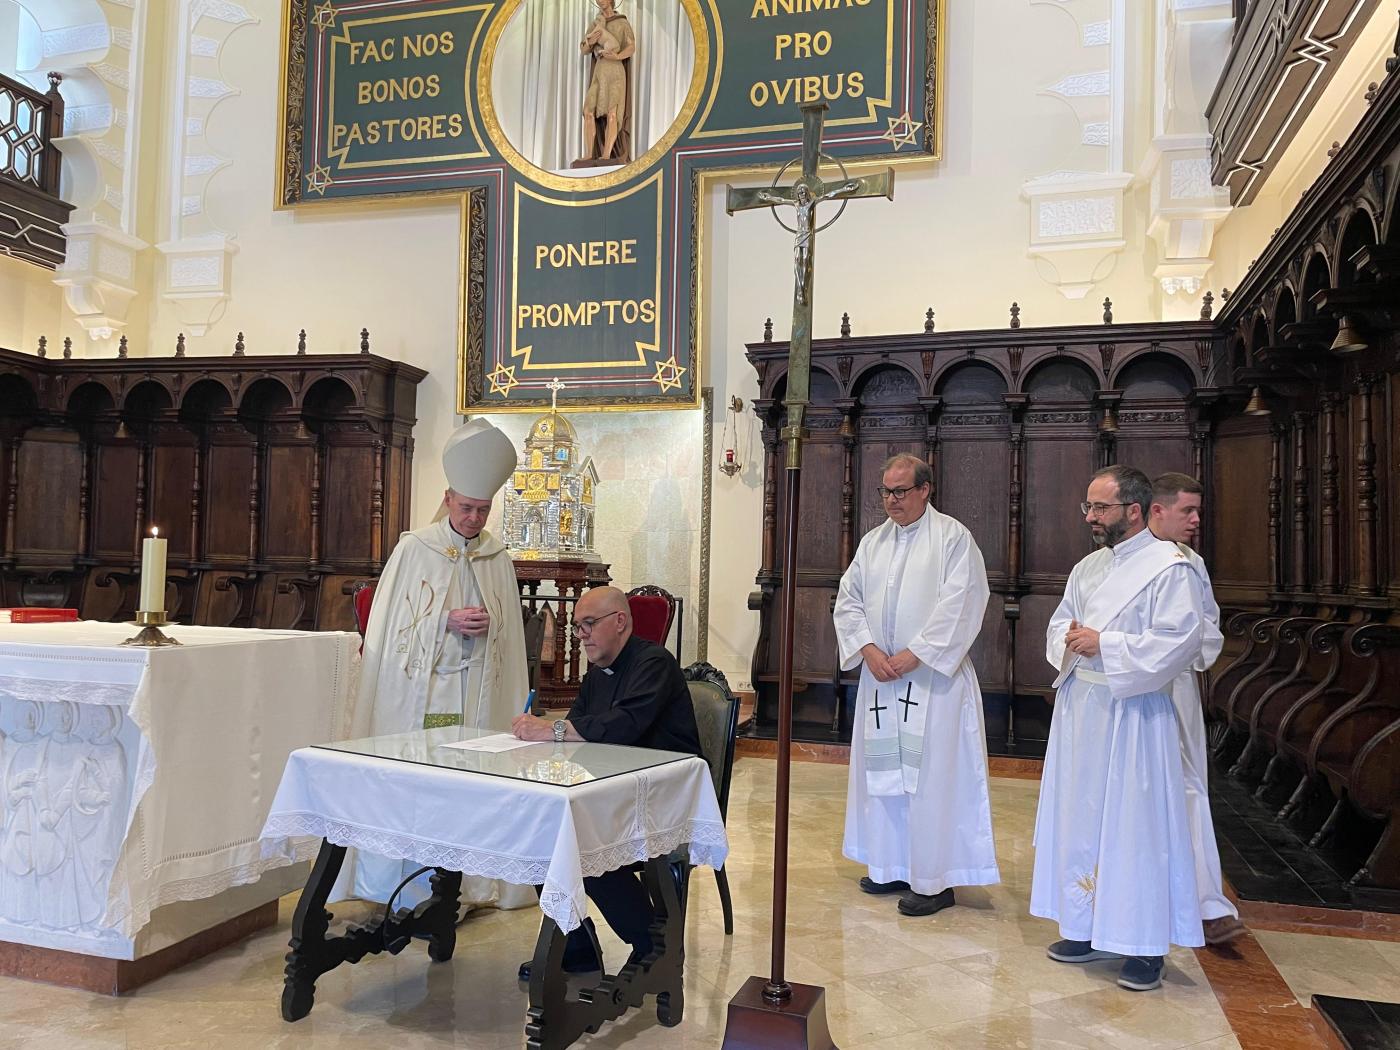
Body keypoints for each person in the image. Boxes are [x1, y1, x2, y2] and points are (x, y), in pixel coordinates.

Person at [340, 419, 534, 910]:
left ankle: (470, 885)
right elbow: (389, 629)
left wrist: (491, 626)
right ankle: (401, 883)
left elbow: (509, 638)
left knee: (469, 784)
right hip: (421, 694)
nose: (474, 518)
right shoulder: (413, 549)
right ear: (448, 499)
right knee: (418, 784)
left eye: (483, 510)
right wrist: (443, 621)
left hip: (474, 695)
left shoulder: (498, 558)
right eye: (467, 507)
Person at [1032, 465, 1205, 992]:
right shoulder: (1088, 568)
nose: (1090, 517)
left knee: (1135, 825)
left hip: (1133, 713)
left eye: (1100, 507)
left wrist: (1106, 644)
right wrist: (1072, 637)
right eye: (1087, 506)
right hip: (1083, 706)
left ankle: (1144, 945)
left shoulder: (1169, 568)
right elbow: (1061, 620)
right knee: (1081, 818)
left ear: (1134, 510)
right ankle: (1084, 926)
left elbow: (1180, 640)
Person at [832, 453, 1000, 917]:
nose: (891, 500)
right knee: (884, 777)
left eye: (900, 491)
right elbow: (848, 602)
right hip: (882, 679)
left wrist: (913, 655)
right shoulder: (872, 542)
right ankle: (890, 865)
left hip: (932, 683)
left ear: (925, 489)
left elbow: (961, 603)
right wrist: (868, 650)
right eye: (885, 491)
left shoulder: (952, 539)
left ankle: (935, 878)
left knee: (931, 780)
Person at [511, 585, 701, 972]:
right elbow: (581, 729)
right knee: (538, 830)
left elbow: (624, 726)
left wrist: (553, 730)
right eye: (578, 627)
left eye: (588, 625)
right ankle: (576, 943)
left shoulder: (654, 662)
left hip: (663, 792)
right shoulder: (597, 675)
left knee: (584, 840)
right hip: (615, 787)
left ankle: (652, 944)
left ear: (620, 622)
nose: (581, 636)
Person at [1149, 472, 1244, 945]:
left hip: (1176, 691)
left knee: (1188, 788)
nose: (1196, 520)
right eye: (1187, 510)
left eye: (1198, 511)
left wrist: (1177, 652)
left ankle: (1207, 903)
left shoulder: (1191, 563)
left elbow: (1207, 629)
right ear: (1156, 510)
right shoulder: (1115, 563)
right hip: (1126, 690)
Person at [579, 0, 635, 164]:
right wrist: (590, 41)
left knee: (612, 114)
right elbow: (583, 48)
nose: (600, 1)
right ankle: (589, 154)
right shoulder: (595, 23)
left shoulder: (622, 22)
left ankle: (606, 155)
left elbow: (631, 47)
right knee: (588, 111)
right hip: (600, 70)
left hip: (615, 70)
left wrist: (617, 56)